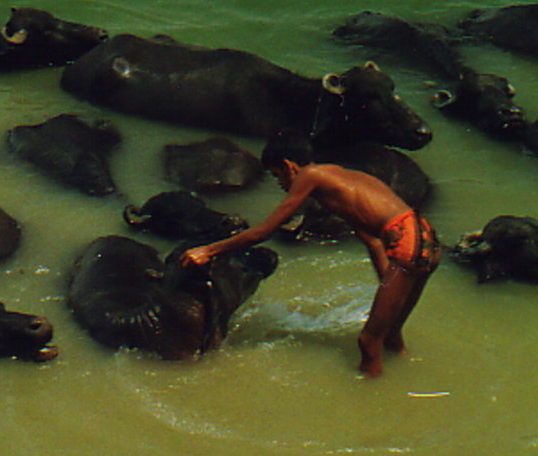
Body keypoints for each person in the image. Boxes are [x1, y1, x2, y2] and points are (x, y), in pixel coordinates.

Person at [179, 134, 439, 377]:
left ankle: (373, 405)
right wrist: (389, 285)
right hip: (425, 239)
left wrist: (208, 250)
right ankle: (409, 375)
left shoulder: (310, 175)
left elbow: (265, 231)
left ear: (289, 165)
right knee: (390, 333)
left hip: (407, 243)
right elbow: (371, 240)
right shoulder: (344, 180)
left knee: (368, 340)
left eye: (277, 176)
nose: (281, 185)